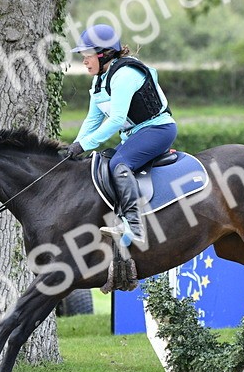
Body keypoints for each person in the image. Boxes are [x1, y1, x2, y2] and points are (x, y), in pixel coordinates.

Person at [66, 24, 176, 247]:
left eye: (87, 56)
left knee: (119, 163)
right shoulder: (99, 80)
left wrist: (86, 144)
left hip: (158, 130)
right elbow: (93, 119)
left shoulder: (124, 75)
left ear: (103, 54)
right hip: (136, 134)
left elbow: (116, 120)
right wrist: (76, 144)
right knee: (102, 161)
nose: (84, 61)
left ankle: (135, 227)